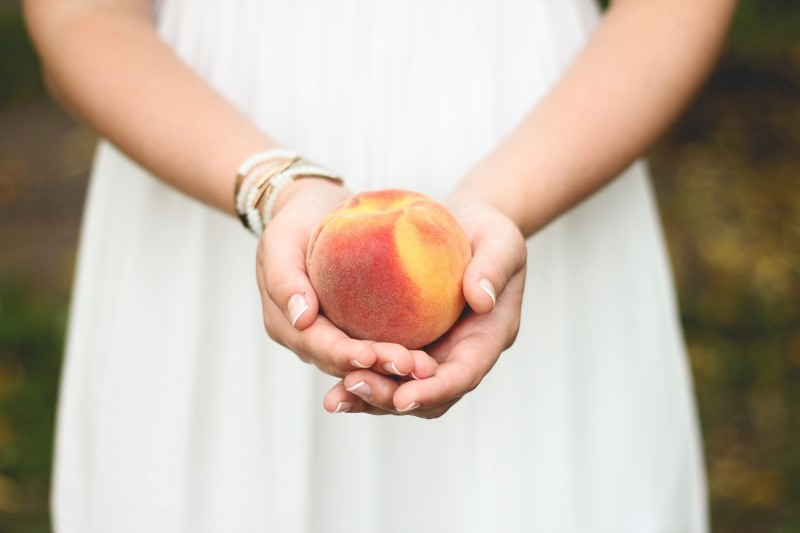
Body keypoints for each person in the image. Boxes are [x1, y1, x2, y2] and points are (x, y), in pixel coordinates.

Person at [25, 0, 736, 531]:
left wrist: (504, 200)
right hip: (199, 138)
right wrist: (273, 185)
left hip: (552, 135)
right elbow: (79, 17)